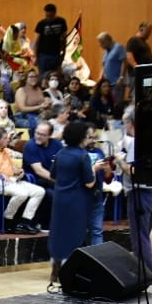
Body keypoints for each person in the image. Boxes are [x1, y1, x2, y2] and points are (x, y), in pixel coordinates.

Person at [48, 119, 100, 288]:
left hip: (59, 198)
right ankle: (69, 273)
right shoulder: (82, 155)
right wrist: (96, 169)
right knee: (74, 234)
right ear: (80, 137)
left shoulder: (61, 153)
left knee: (58, 232)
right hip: (77, 200)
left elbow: (52, 175)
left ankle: (55, 268)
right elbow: (89, 183)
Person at [117, 109, 152, 273]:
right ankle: (147, 271)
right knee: (145, 233)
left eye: (125, 123)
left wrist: (120, 161)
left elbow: (133, 171)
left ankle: (144, 273)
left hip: (141, 193)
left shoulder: (138, 142)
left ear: (131, 123)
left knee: (139, 236)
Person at [0, 124, 46, 234]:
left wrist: (19, 170)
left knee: (39, 191)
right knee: (22, 193)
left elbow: (11, 167)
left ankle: (25, 222)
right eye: (5, 138)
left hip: (11, 181)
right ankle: (7, 220)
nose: (8, 140)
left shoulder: (5, 151)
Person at [33, 3, 67, 78]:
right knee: (43, 77)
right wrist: (35, 57)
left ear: (55, 13)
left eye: (50, 16)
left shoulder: (61, 22)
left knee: (56, 77)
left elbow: (64, 38)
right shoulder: (41, 24)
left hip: (56, 54)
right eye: (46, 16)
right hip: (43, 55)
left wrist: (64, 52)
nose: (48, 18)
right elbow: (36, 41)